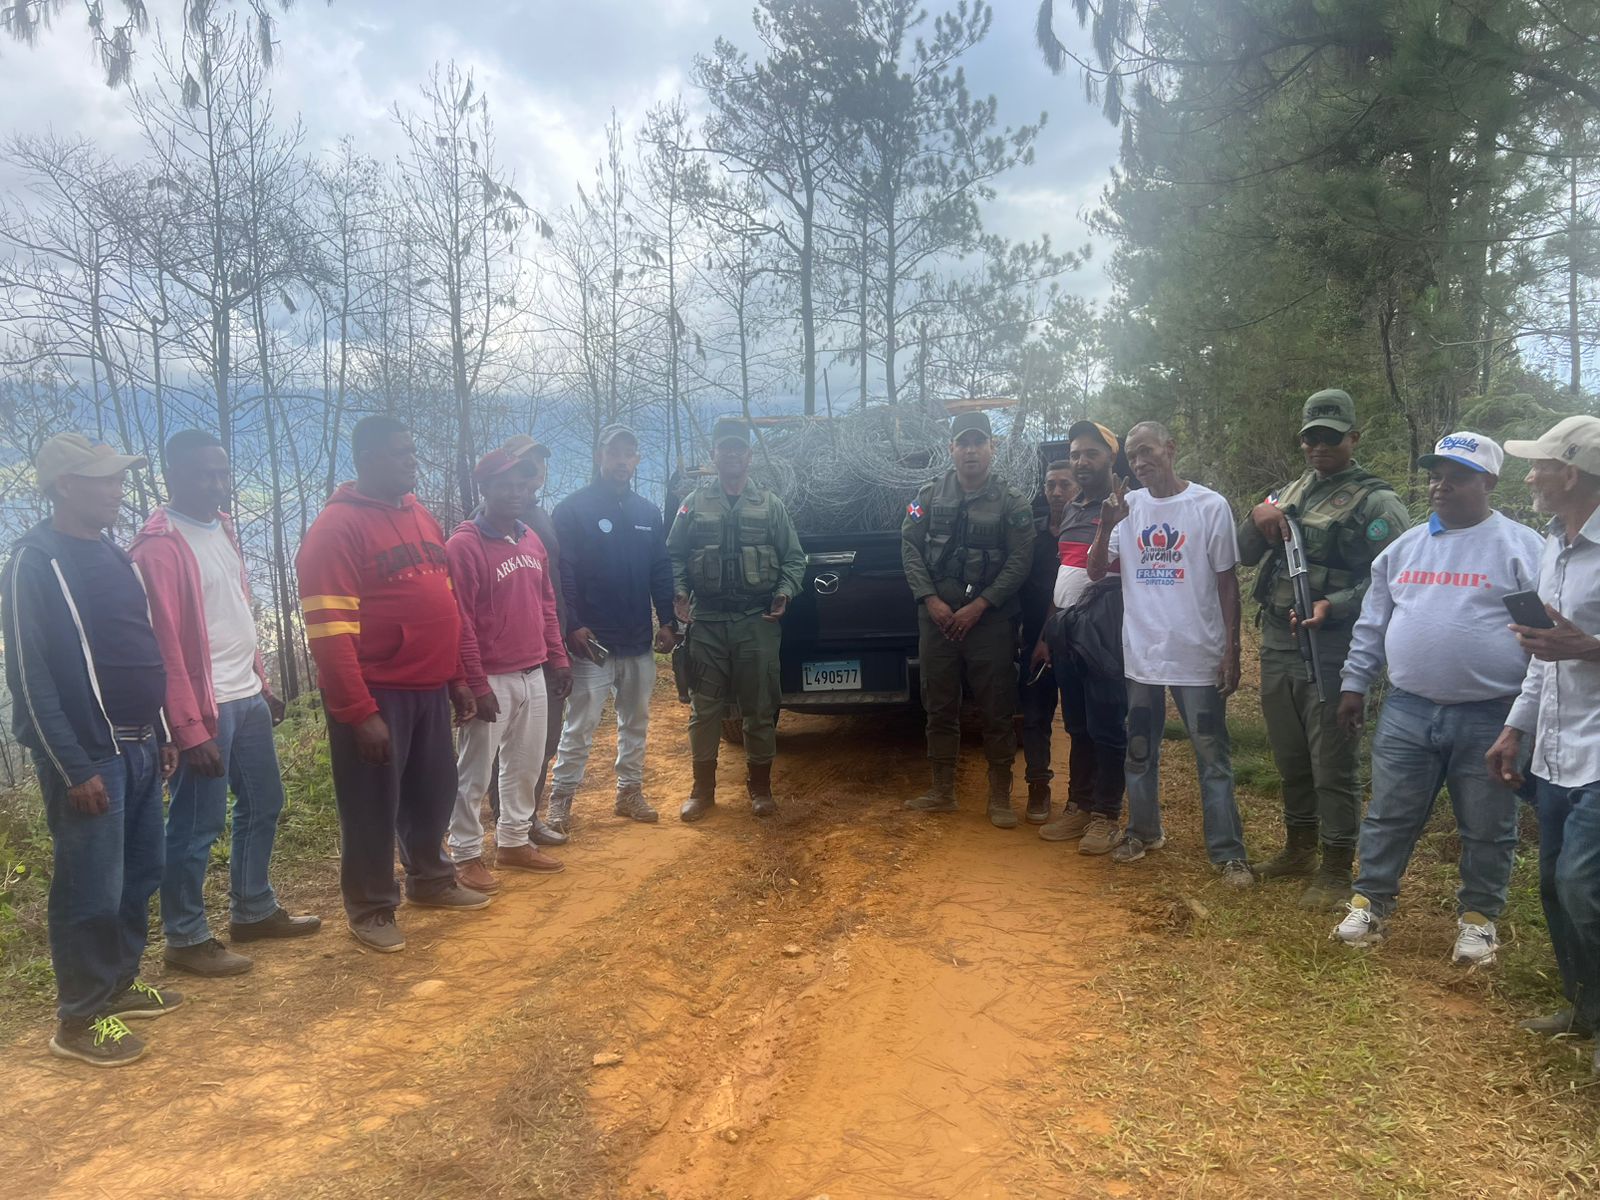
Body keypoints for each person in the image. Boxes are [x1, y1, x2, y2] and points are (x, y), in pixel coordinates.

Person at [3, 433, 180, 1066]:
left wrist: (161, 729)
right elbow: (29, 680)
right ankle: (79, 1019)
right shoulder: (33, 563)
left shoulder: (113, 555)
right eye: (104, 479)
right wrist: (73, 767)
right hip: (89, 757)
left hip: (139, 745)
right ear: (65, 486)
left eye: (119, 478)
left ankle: (119, 984)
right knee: (89, 890)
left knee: (139, 874)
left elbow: (139, 646)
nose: (118, 489)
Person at [1332, 433, 1540, 964]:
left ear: (1489, 482)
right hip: (1409, 707)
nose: (1440, 486)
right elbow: (1372, 622)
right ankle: (1370, 905)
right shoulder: (1405, 547)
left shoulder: (1521, 547)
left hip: (1492, 713)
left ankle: (1478, 922)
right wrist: (1355, 683)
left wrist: (1526, 717)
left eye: (1457, 477)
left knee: (1488, 825)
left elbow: (1543, 638)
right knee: (1389, 814)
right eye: (1435, 475)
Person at [130, 430, 320, 979]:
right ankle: (185, 936)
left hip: (246, 695)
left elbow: (232, 610)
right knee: (196, 824)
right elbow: (163, 645)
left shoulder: (224, 527)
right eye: (202, 474)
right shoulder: (157, 547)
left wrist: (262, 681)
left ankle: (253, 909)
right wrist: (188, 727)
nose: (216, 484)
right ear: (172, 476)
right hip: (205, 709)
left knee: (264, 802)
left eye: (222, 473)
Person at [296, 415, 486, 954]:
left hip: (429, 686)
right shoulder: (335, 530)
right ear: (367, 459)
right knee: (371, 804)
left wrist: (456, 676)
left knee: (433, 790)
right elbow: (330, 632)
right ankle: (371, 907)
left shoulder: (420, 515)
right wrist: (359, 711)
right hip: (377, 691)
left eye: (412, 450)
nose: (412, 461)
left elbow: (444, 602)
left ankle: (431, 879)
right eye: (400, 453)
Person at [1238, 388, 1410, 909]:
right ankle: (1299, 849)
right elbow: (1245, 553)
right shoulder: (1287, 491)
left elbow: (1394, 578)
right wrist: (1257, 514)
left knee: (1332, 761)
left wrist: (1334, 603)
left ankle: (1336, 867)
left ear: (1353, 438)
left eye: (1331, 438)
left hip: (1333, 646)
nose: (1319, 447)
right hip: (1278, 639)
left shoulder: (1377, 503)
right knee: (1290, 754)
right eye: (1311, 437)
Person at [1087, 421, 1253, 887]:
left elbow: (1227, 583)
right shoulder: (1128, 507)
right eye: (1132, 456)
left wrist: (1232, 649)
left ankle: (1228, 853)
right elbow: (1096, 571)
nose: (1140, 463)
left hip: (1197, 654)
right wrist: (1107, 522)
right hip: (1143, 655)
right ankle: (1143, 831)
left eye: (1147, 451)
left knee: (1212, 755)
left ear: (1170, 449)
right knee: (1140, 749)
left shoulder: (1209, 506)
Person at [1485, 415, 1600, 1063]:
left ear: (1571, 474)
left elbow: (1576, 646)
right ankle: (1584, 1010)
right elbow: (1545, 655)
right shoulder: (1553, 543)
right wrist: (1514, 728)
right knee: (1555, 884)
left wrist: (1590, 646)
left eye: (1539, 466)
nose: (1528, 477)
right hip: (1555, 749)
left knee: (1584, 885)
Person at [445, 446, 573, 894]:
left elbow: (546, 605)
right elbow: (460, 620)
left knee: (525, 763)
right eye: (505, 485)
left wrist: (557, 657)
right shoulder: (464, 545)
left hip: (532, 670)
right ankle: (465, 854)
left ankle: (514, 841)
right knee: (475, 771)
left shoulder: (529, 538)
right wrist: (475, 683)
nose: (516, 492)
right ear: (485, 488)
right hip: (492, 677)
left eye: (522, 484)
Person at [901, 411, 1036, 827]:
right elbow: (909, 547)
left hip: (989, 621)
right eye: (963, 442)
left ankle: (999, 797)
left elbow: (1020, 560)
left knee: (996, 708)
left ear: (992, 447)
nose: (971, 450)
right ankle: (942, 791)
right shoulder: (927, 496)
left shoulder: (1011, 502)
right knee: (939, 705)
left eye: (979, 442)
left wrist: (981, 606)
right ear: (951, 448)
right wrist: (930, 600)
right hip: (938, 620)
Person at [668, 417, 806, 821]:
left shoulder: (770, 504)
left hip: (755, 621)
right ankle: (702, 791)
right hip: (707, 622)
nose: (731, 454)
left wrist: (785, 591)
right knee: (704, 709)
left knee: (759, 707)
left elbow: (794, 559)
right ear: (713, 455)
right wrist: (679, 592)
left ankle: (760, 789)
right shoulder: (692, 504)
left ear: (749, 455)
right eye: (724, 448)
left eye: (738, 448)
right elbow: (673, 555)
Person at [548, 424, 679, 826]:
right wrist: (573, 625)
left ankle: (629, 792)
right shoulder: (572, 510)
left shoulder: (648, 512)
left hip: (637, 639)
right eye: (614, 453)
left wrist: (668, 621)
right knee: (580, 725)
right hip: (592, 642)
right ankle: (561, 799)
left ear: (636, 460)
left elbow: (660, 569)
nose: (621, 461)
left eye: (629, 453)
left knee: (635, 721)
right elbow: (563, 573)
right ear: (599, 456)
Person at [1035, 421, 1129, 855]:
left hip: (1107, 630)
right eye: (1076, 453)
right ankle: (1079, 805)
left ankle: (1106, 815)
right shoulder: (1074, 508)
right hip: (1067, 630)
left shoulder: (1128, 505)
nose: (1081, 461)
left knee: (1106, 725)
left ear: (1111, 457)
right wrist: (1048, 631)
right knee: (1076, 725)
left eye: (1091, 453)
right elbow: (1066, 573)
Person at [495, 434, 570, 845]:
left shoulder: (539, 518)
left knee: (542, 740)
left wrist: (560, 646)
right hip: (509, 656)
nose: (535, 469)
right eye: (526, 462)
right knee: (507, 745)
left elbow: (551, 587)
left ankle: (526, 818)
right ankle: (508, 822)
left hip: (546, 646)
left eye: (539, 462)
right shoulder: (492, 520)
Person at [1017, 459, 1077, 824]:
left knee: (1077, 722)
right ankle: (1038, 788)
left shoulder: (1088, 532)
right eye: (1051, 485)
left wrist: (1049, 638)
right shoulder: (1031, 537)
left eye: (1064, 485)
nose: (1057, 492)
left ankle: (1080, 797)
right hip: (1033, 645)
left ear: (1077, 488)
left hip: (1077, 642)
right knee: (1035, 718)